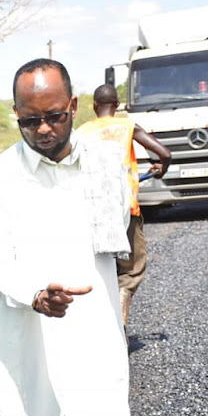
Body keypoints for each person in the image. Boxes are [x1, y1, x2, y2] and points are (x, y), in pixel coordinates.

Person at [0, 58, 140, 416]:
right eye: (30, 121)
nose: (43, 129)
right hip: (27, 340)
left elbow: (115, 234)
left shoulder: (104, 165)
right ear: (16, 116)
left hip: (93, 334)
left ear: (74, 107)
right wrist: (35, 293)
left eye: (54, 117)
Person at [78, 84, 171, 331]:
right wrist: (161, 168)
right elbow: (165, 153)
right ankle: (119, 317)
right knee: (131, 271)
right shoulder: (128, 126)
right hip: (126, 209)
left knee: (101, 268)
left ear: (95, 106)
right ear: (117, 105)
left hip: (93, 212)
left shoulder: (82, 132)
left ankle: (99, 325)